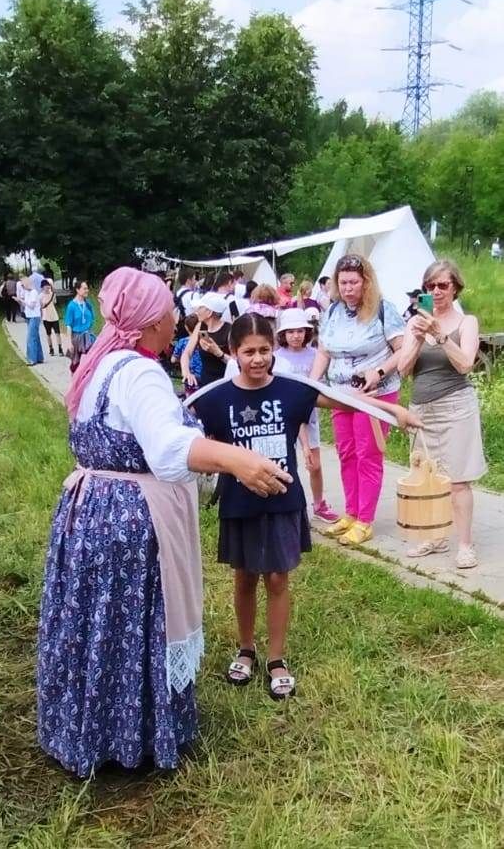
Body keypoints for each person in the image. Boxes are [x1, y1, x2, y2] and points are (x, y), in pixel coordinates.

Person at [37, 267, 293, 777]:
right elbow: (167, 447)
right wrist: (237, 460)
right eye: (170, 311)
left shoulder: (101, 363)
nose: (177, 317)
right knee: (133, 624)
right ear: (153, 320)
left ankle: (90, 726)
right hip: (131, 519)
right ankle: (131, 737)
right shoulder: (139, 372)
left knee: (100, 624)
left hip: (92, 511)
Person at [192, 314, 419, 699]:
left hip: (282, 502)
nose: (258, 359)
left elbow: (345, 402)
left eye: (265, 350)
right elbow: (177, 430)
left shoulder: (293, 390)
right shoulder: (215, 399)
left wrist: (392, 411)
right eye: (249, 352)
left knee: (278, 578)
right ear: (233, 352)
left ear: (274, 349)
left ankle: (276, 657)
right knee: (244, 577)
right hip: (239, 502)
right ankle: (246, 648)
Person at [311, 254, 405, 546]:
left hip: (374, 394)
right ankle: (351, 512)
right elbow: (324, 352)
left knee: (368, 454)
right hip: (340, 394)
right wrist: (312, 384)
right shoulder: (333, 311)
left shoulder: (383, 310)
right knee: (346, 452)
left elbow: (403, 350)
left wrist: (378, 371)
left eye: (354, 282)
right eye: (343, 282)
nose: (348, 288)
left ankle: (366, 519)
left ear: (366, 282)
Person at [398, 259, 486, 569]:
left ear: (455, 288)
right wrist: (420, 336)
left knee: (459, 480)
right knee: (427, 477)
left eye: (443, 285)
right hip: (422, 408)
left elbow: (465, 365)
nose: (436, 291)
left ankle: (464, 544)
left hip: (456, 407)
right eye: (430, 286)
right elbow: (403, 369)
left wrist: (441, 336)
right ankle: (432, 537)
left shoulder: (467, 322)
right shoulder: (414, 325)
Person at [275, 308, 339, 524]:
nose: (296, 336)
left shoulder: (314, 355)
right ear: (283, 334)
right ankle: (288, 505)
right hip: (286, 417)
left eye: (300, 331)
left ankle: (319, 503)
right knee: (285, 462)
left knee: (314, 463)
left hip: (309, 416)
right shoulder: (277, 358)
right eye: (290, 331)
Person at [181, 293, 231, 388]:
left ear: (209, 312)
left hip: (223, 385)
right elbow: (186, 353)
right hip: (204, 382)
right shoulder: (201, 326)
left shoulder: (229, 330)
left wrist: (219, 353)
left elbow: (237, 364)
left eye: (200, 308)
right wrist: (186, 372)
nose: (196, 311)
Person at [64, 281, 96, 374]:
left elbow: (92, 319)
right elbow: (69, 325)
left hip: (88, 337)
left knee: (91, 361)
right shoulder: (71, 306)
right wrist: (69, 342)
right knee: (76, 364)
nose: (87, 290)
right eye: (84, 288)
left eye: (87, 288)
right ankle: (75, 382)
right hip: (77, 338)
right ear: (78, 290)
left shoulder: (88, 304)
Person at [171, 313, 202, 392]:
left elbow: (173, 359)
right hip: (202, 374)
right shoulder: (203, 341)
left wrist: (181, 360)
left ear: (186, 327)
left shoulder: (182, 341)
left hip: (188, 374)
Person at [19, 277, 44, 366]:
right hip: (29, 316)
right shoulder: (27, 292)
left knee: (31, 338)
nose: (22, 287)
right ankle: (40, 357)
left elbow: (32, 305)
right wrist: (20, 301)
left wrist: (22, 301)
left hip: (34, 316)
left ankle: (32, 359)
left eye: (23, 285)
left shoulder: (33, 292)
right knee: (35, 337)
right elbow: (25, 304)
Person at [40, 279, 64, 357]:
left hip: (54, 316)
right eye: (46, 287)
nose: (47, 288)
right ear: (42, 287)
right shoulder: (40, 296)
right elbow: (40, 307)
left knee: (57, 333)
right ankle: (51, 349)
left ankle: (60, 348)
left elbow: (54, 302)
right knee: (48, 334)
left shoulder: (53, 294)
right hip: (45, 317)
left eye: (48, 286)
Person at [174, 267, 196, 339]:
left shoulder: (176, 294)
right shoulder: (193, 295)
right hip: (190, 329)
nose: (195, 281)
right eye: (194, 278)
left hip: (178, 326)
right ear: (189, 280)